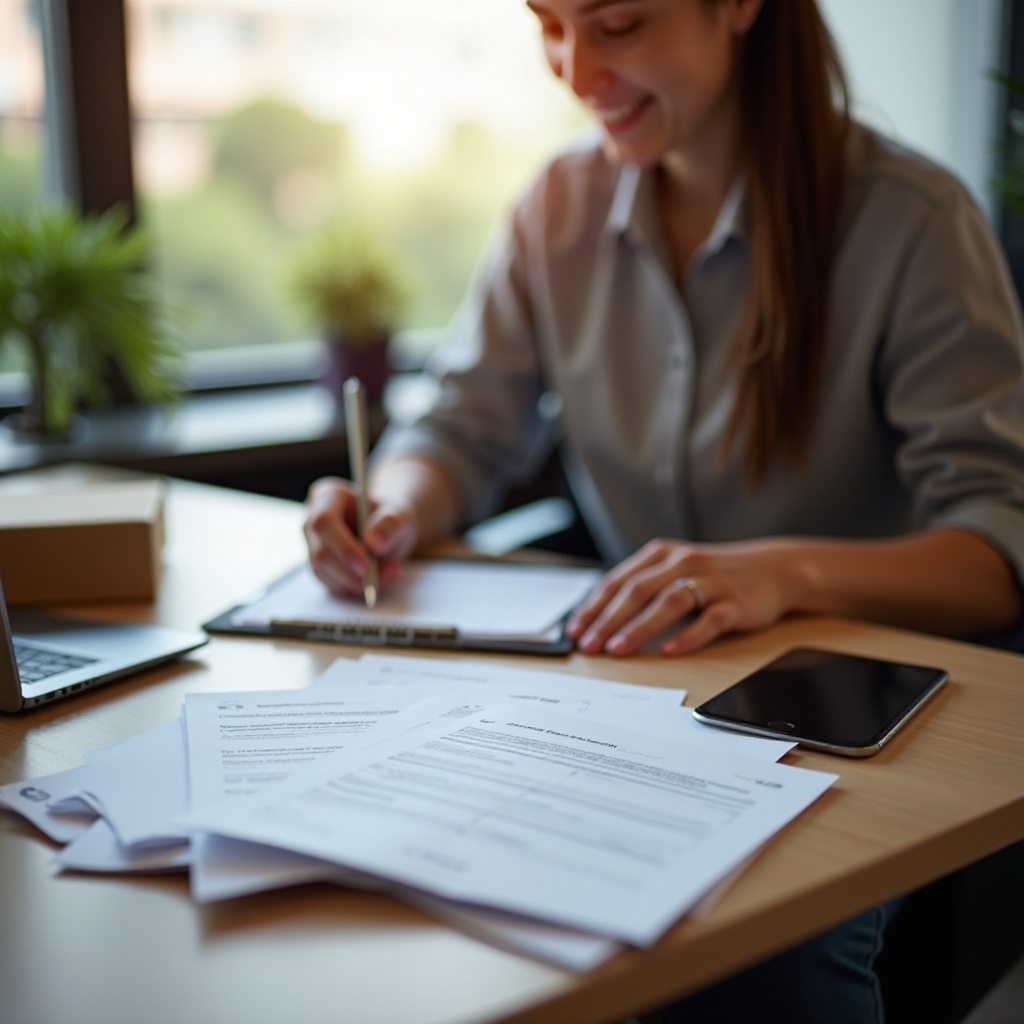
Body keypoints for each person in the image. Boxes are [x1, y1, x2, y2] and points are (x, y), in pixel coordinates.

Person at [304, 0, 1024, 1020]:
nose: (572, 67)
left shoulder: (912, 221)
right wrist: (388, 509)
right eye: (547, 25)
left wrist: (784, 572)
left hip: (851, 718)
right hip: (633, 702)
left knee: (757, 950)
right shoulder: (554, 207)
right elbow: (462, 432)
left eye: (617, 23)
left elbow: (999, 544)